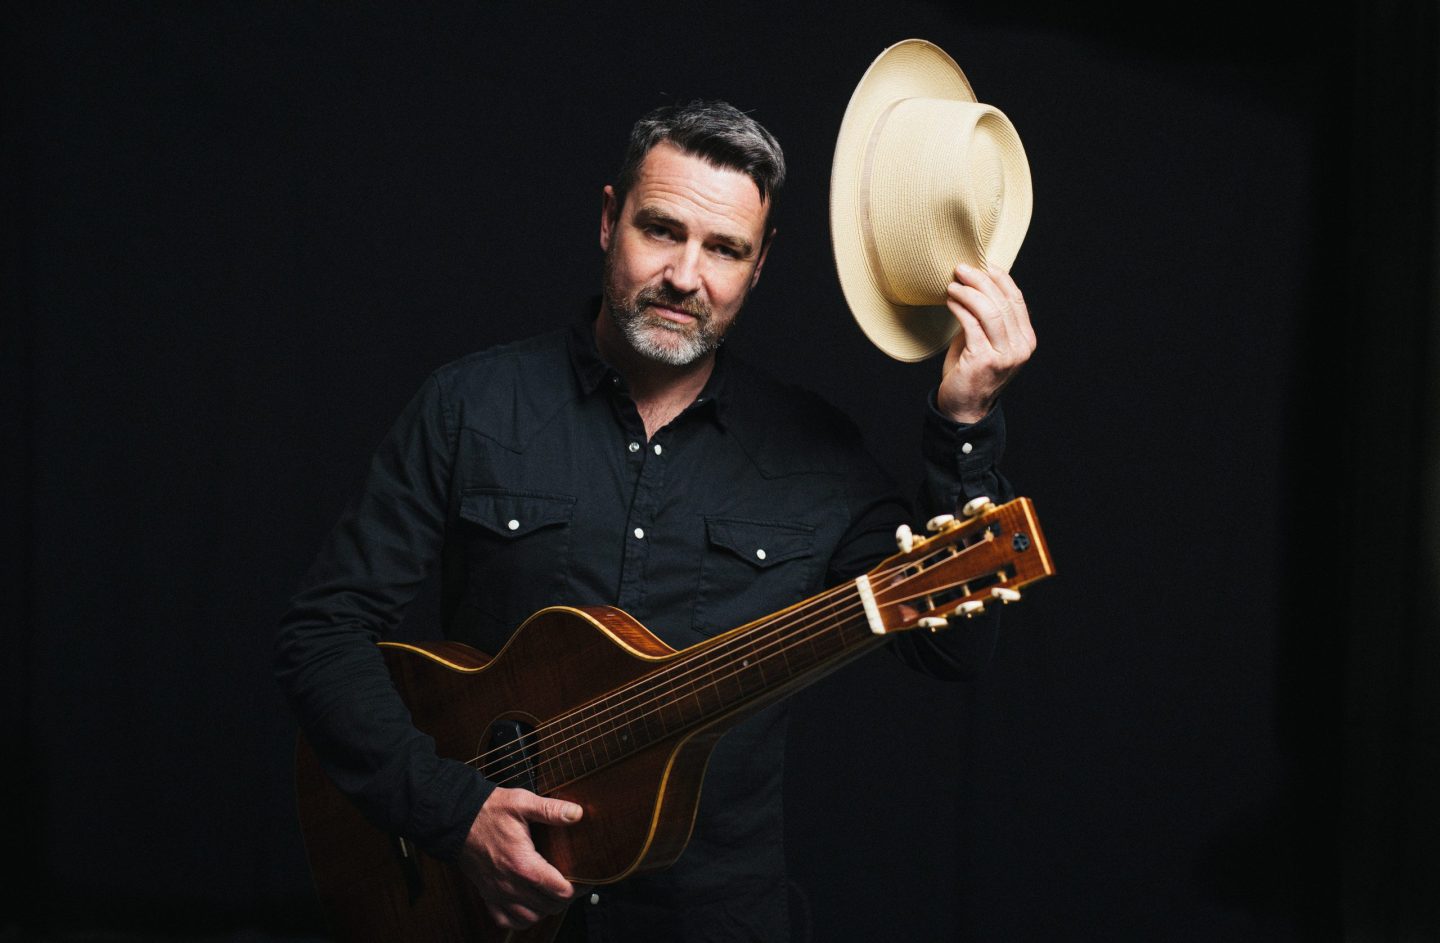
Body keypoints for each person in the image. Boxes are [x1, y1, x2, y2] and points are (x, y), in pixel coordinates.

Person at [275, 99, 1034, 942]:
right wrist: (456, 812)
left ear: (760, 263)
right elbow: (322, 632)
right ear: (609, 220)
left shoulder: (819, 457)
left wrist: (964, 423)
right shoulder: (471, 405)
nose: (685, 274)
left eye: (725, 249)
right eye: (662, 230)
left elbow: (952, 646)